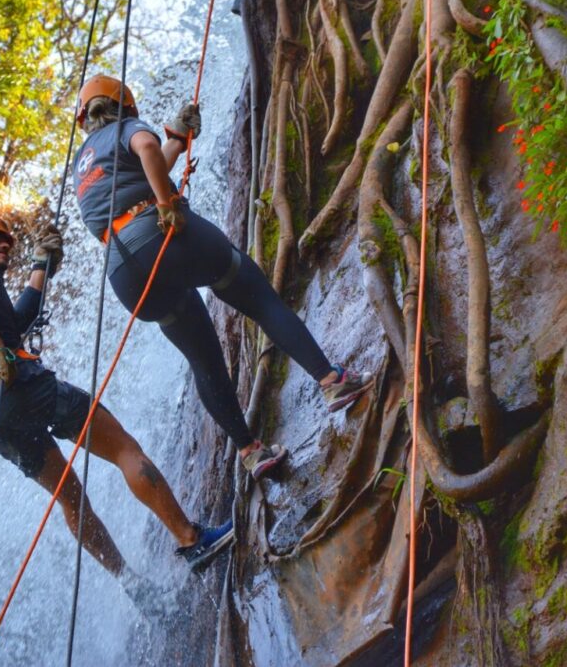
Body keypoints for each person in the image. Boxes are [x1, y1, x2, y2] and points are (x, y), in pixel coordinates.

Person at [69, 75, 375, 480]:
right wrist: (167, 205)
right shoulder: (125, 128)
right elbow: (145, 150)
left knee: (203, 359)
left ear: (84, 120)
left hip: (124, 269)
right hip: (161, 233)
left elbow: (141, 171)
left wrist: (176, 139)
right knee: (259, 298)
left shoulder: (83, 165)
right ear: (124, 106)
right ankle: (332, 381)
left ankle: (250, 452)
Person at [0, 211, 233, 612]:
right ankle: (191, 540)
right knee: (123, 449)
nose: (4, 243)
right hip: (21, 385)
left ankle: (134, 587)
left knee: (71, 499)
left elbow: (18, 322)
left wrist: (41, 266)